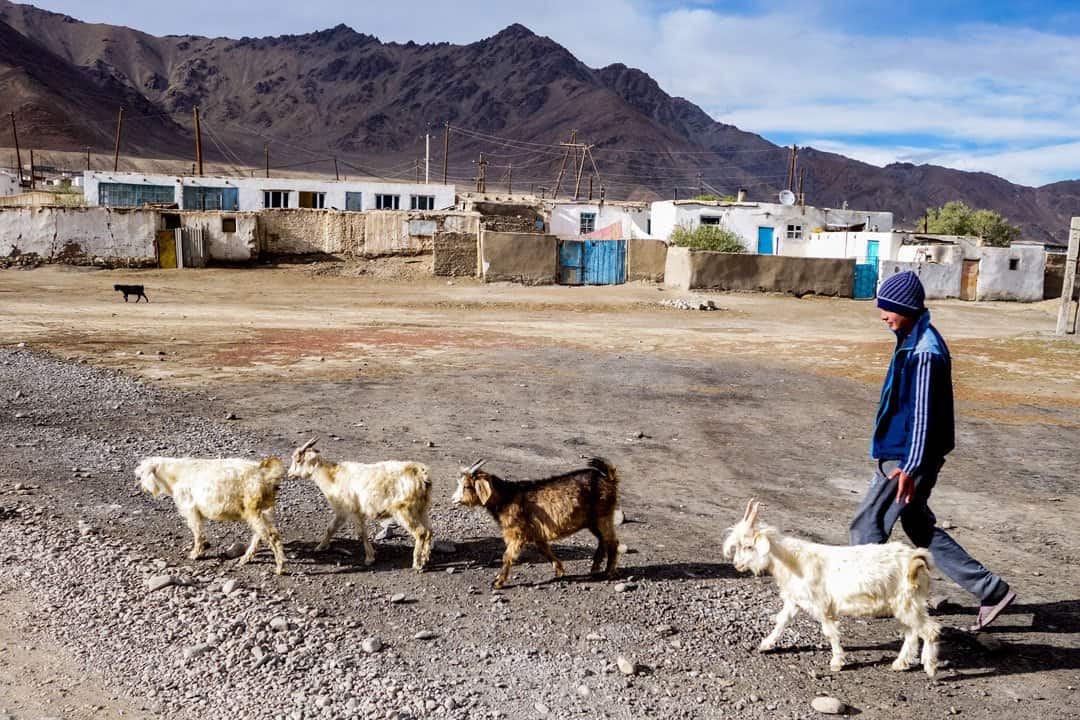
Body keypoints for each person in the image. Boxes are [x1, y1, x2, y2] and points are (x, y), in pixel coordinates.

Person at [849, 270, 1016, 631]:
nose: (882, 316)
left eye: (887, 309)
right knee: (916, 523)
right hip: (907, 454)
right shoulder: (911, 338)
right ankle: (991, 590)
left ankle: (873, 596)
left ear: (907, 308)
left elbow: (922, 417)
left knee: (867, 524)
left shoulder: (925, 351)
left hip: (906, 459)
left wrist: (909, 467)